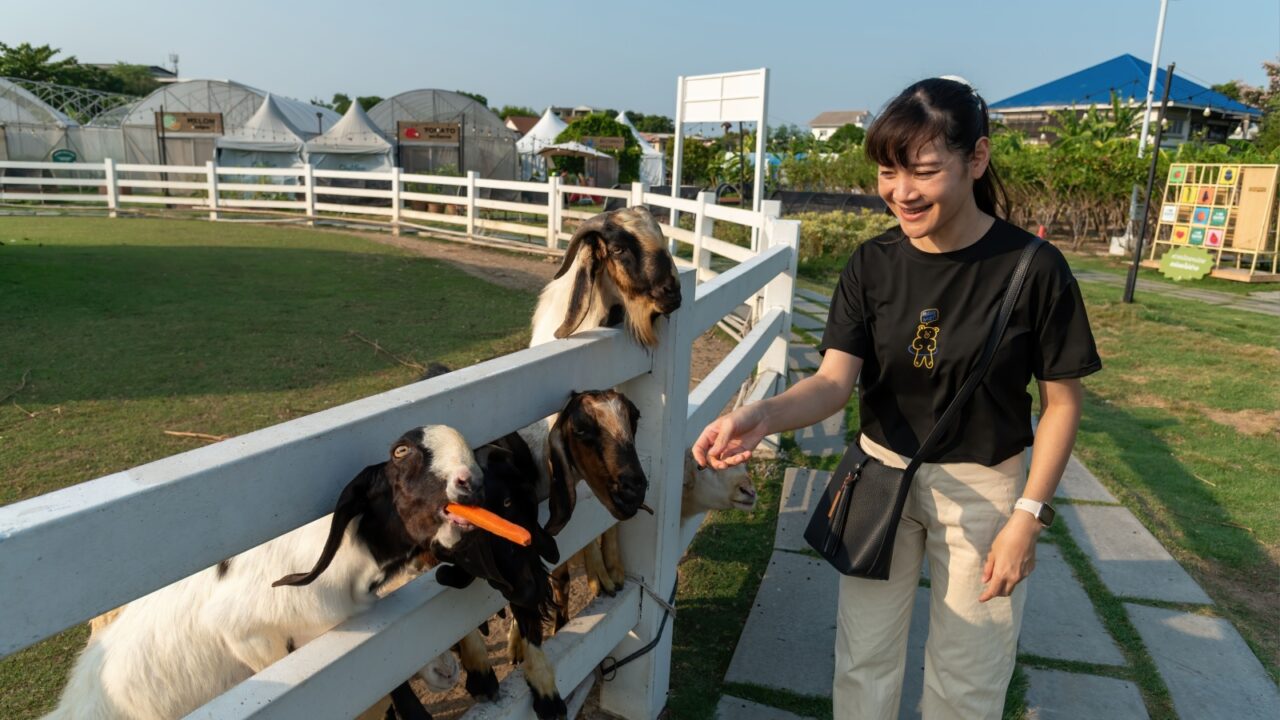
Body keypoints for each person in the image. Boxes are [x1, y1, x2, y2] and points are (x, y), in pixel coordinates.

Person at [693, 77, 1101, 720]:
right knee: (863, 664)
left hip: (987, 491)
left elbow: (1063, 404)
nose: (900, 193)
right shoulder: (872, 263)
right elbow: (832, 382)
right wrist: (757, 415)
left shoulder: (1034, 268)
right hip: (879, 479)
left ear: (978, 159)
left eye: (924, 171)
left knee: (968, 678)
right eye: (887, 172)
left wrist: (1028, 515)